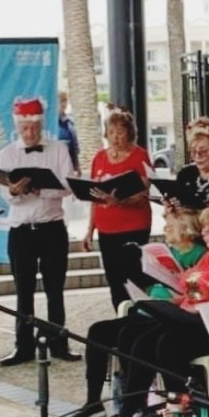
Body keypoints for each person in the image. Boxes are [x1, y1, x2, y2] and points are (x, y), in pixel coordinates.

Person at [95, 203, 209, 417]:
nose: (203, 234)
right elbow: (191, 284)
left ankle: (178, 412)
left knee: (166, 343)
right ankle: (131, 409)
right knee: (141, 339)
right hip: (191, 317)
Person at [69, 206, 206, 417]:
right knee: (98, 331)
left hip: (168, 313)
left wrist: (172, 292)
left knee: (130, 336)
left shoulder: (200, 255)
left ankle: (132, 403)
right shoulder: (162, 251)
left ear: (185, 229)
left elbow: (195, 292)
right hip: (148, 307)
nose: (167, 230)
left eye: (170, 227)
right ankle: (93, 400)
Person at [0, 97, 80, 366]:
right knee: (23, 291)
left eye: (34, 128)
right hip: (21, 229)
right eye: (25, 129)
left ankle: (58, 343)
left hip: (52, 227)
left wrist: (42, 189)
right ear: (18, 127)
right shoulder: (8, 153)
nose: (30, 133)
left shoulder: (58, 149)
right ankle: (23, 346)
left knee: (55, 289)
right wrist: (14, 191)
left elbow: (68, 186)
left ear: (42, 124)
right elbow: (4, 193)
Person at [81, 106, 152, 311]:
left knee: (133, 277)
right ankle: (120, 319)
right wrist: (90, 230)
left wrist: (120, 201)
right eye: (111, 132)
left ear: (129, 132)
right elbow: (95, 197)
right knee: (114, 280)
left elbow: (144, 192)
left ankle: (137, 319)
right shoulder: (100, 158)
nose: (115, 137)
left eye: (120, 132)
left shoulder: (140, 156)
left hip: (133, 226)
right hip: (106, 229)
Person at [57, 90, 81, 175]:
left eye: (65, 100)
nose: (64, 104)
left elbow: (74, 146)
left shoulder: (70, 121)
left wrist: (77, 166)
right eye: (61, 101)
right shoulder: (50, 123)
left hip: (69, 163)